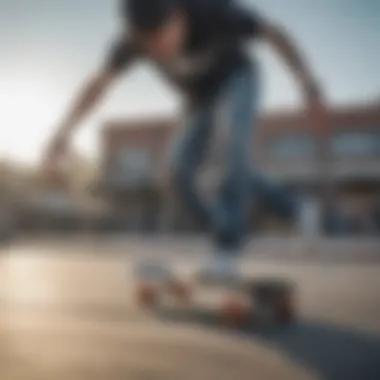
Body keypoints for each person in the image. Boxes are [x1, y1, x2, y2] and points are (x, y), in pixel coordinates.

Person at [43, 0, 326, 282]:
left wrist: (308, 84)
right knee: (177, 175)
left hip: (238, 78)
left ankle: (225, 250)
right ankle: (291, 211)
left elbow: (275, 34)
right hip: (197, 100)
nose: (157, 51)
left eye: (160, 38)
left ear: (178, 16)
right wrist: (63, 133)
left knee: (231, 144)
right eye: (147, 45)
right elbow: (98, 84)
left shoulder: (212, 11)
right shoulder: (130, 44)